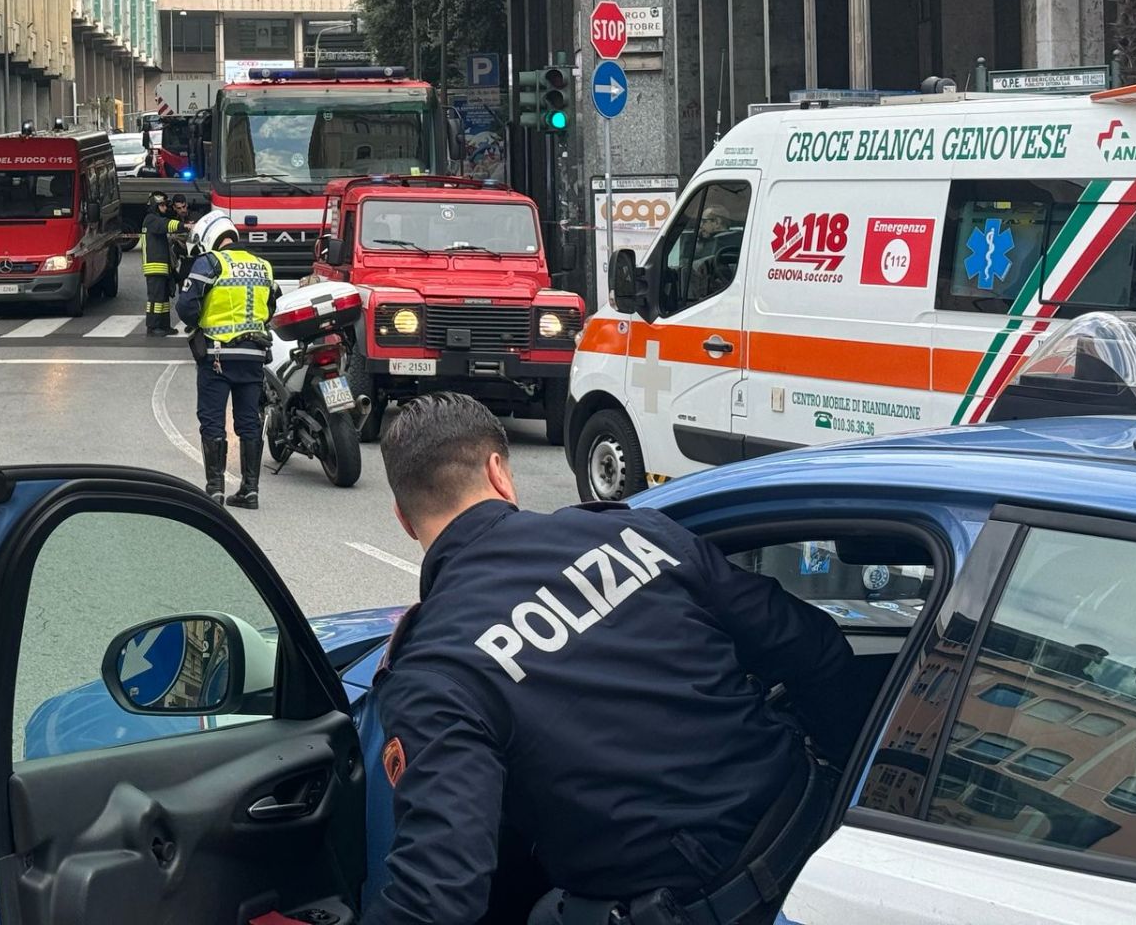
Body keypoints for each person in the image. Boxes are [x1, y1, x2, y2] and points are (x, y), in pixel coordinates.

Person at [361, 393, 852, 925]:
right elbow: (814, 648)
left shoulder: (435, 669)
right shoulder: (635, 532)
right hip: (820, 837)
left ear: (403, 519)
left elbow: (437, 897)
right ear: (498, 473)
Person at [173, 210, 277, 508]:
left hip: (217, 356)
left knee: (212, 420)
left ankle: (215, 489)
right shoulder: (263, 266)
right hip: (254, 355)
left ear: (209, 238)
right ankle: (250, 490)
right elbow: (271, 306)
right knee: (249, 421)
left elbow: (186, 306)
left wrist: (201, 323)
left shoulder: (210, 262)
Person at [139, 191, 183, 336]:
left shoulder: (155, 219)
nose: (165, 207)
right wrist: (184, 226)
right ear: (154, 206)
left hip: (162, 267)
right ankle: (152, 327)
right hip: (154, 267)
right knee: (155, 299)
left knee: (163, 299)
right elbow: (167, 225)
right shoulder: (151, 219)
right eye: (162, 205)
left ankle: (164, 325)